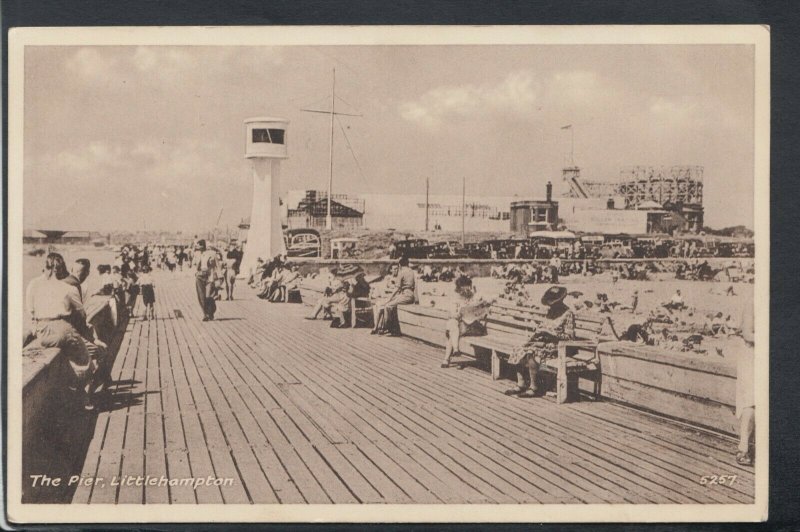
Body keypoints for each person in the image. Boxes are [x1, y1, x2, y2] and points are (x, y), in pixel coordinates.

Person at [26, 253, 96, 410]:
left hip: (42, 331)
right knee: (85, 360)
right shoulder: (68, 288)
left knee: (66, 356)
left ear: (45, 267)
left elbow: (30, 310)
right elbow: (81, 313)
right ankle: (83, 397)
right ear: (63, 268)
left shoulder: (34, 284)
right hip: (62, 328)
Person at [504, 286, 575, 398]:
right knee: (519, 349)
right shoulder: (551, 312)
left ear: (560, 301)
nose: (551, 305)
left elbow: (569, 337)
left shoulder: (568, 313)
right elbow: (543, 327)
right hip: (543, 342)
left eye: (553, 302)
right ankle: (521, 384)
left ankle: (533, 387)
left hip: (557, 345)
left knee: (532, 352)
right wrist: (536, 335)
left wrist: (551, 334)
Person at [441, 276, 491, 368]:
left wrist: (483, 305)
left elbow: (479, 305)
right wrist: (456, 315)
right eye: (466, 287)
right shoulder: (454, 298)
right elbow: (451, 313)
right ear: (460, 287)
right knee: (453, 324)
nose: (468, 289)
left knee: (452, 329)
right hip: (460, 325)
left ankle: (448, 358)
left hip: (471, 326)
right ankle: (455, 350)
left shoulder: (472, 295)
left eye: (469, 287)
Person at [735, 297, 755, 466]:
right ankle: (744, 448)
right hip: (752, 356)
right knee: (751, 401)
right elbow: (747, 334)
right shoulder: (752, 302)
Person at [380, 256, 417, 336]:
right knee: (393, 306)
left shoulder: (401, 272)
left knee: (388, 306)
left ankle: (388, 329)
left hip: (405, 295)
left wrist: (390, 298)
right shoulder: (411, 271)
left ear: (400, 265)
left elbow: (397, 288)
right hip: (410, 295)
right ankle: (393, 329)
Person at [193, 240, 218, 321]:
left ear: (203, 246)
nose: (197, 248)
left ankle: (211, 312)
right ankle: (205, 314)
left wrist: (219, 278)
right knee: (201, 296)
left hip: (208, 276)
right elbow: (195, 266)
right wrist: (196, 273)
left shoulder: (211, 254)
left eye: (199, 246)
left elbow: (217, 266)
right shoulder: (197, 254)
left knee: (208, 296)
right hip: (199, 276)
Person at [371, 263, 399, 334]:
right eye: (394, 269)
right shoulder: (388, 278)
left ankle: (384, 328)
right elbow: (384, 288)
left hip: (394, 297)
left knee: (384, 306)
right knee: (380, 307)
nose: (396, 270)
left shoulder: (399, 278)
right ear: (391, 270)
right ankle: (376, 327)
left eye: (397, 268)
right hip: (387, 296)